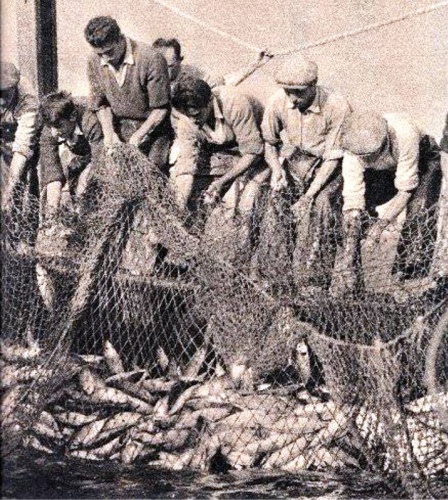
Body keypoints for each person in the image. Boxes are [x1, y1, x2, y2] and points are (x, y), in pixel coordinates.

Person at [261, 55, 351, 290]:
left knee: (321, 208)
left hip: (328, 167)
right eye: (287, 90)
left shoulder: (337, 105)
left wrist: (309, 195)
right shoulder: (277, 102)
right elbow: (269, 143)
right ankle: (277, 279)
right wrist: (277, 169)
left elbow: (333, 157)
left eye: (299, 92)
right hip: (295, 160)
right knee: (276, 203)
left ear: (314, 85)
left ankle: (314, 283)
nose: (292, 97)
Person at [332, 110, 442, 294]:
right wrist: (351, 244)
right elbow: (353, 198)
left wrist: (378, 228)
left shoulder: (404, 136)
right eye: (364, 157)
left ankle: (410, 280)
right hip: (385, 170)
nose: (367, 160)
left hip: (423, 160)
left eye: (372, 155)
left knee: (419, 209)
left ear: (385, 141)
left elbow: (406, 191)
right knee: (351, 215)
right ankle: (350, 276)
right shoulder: (353, 151)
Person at [170, 76, 268, 264]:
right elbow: (187, 165)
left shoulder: (235, 103)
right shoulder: (186, 120)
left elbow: (252, 152)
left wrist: (222, 182)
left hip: (255, 154)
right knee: (194, 199)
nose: (194, 121)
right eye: (188, 116)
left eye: (197, 115)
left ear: (210, 102)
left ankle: (235, 264)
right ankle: (186, 260)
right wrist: (179, 202)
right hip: (218, 152)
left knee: (236, 204)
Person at [84, 16, 172, 173]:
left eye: (109, 52)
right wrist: (110, 136)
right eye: (100, 54)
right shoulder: (93, 60)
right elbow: (100, 104)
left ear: (120, 39)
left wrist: (138, 136)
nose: (105, 58)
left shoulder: (151, 59)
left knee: (149, 172)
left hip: (153, 128)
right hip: (119, 125)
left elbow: (160, 109)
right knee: (106, 171)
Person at [39, 91, 103, 220]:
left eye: (58, 127)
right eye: (50, 127)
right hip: (81, 156)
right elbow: (52, 174)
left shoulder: (89, 121)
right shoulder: (51, 128)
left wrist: (85, 178)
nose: (54, 133)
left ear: (73, 116)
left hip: (101, 154)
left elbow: (100, 158)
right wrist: (52, 211)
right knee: (55, 196)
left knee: (85, 188)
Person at [152, 37, 272, 89]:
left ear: (180, 60)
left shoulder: (194, 75)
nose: (165, 72)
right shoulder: (148, 72)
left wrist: (255, 64)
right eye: (161, 66)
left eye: (171, 66)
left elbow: (225, 82)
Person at [1, 61, 40, 213]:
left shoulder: (28, 100)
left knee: (19, 187)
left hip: (22, 141)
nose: (2, 102)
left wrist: (8, 192)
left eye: (6, 95)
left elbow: (21, 149)